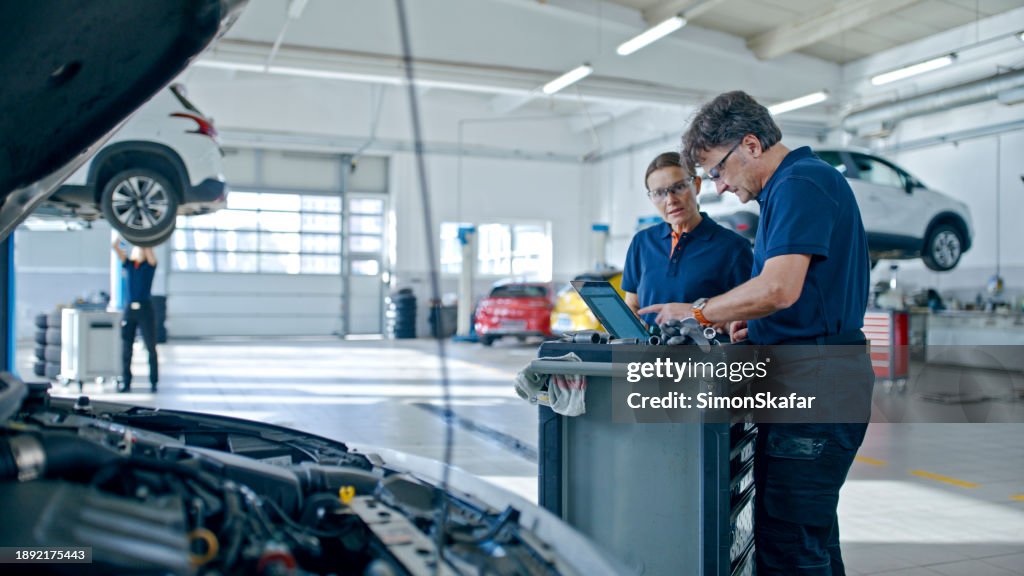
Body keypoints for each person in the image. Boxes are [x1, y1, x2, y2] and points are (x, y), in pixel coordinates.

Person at [639, 91, 874, 575]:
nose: (720, 188)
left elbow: (778, 287)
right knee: (811, 538)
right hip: (814, 377)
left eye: (717, 171)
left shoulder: (800, 183)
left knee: (788, 548)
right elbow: (799, 295)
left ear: (749, 144)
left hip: (816, 384)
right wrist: (755, 322)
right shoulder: (795, 187)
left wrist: (701, 313)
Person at [622, 151, 752, 327]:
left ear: (696, 185)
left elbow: (747, 315)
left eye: (679, 187)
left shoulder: (733, 248)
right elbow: (632, 305)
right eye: (659, 193)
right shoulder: (642, 243)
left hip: (705, 352)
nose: (670, 200)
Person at [112, 237, 159, 393]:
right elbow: (116, 246)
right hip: (129, 310)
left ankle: (153, 382)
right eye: (136, 247)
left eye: (141, 248)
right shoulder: (130, 265)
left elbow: (150, 254)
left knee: (151, 347)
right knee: (126, 348)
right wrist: (126, 233)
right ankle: (126, 382)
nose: (138, 249)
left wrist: (144, 238)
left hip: (145, 309)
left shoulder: (149, 266)